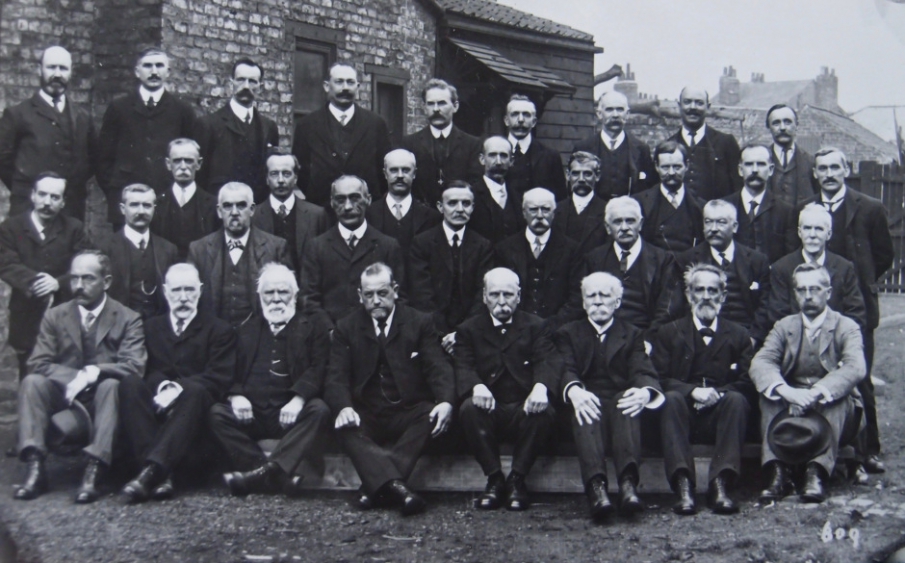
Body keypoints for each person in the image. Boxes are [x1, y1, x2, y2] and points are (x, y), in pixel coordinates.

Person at [15, 250, 146, 503]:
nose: (78, 286)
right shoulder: (56, 315)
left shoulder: (128, 318)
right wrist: (75, 377)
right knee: (32, 382)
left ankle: (94, 469)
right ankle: (35, 467)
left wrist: (93, 373)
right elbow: (37, 362)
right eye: (74, 279)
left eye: (87, 279)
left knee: (109, 385)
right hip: (66, 396)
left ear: (106, 282)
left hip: (106, 402)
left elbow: (134, 366)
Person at [325, 263, 455, 516]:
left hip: (406, 410)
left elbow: (438, 367)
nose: (376, 301)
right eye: (369, 295)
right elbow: (335, 376)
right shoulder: (346, 327)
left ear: (395, 290)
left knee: (431, 414)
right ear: (359, 296)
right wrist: (344, 407)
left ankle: (374, 487)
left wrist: (446, 401)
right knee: (344, 424)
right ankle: (398, 489)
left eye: (382, 293)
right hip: (367, 411)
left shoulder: (419, 322)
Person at [800, 147, 894, 475]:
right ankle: (823, 444)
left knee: (859, 374)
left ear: (846, 169)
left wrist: (859, 279)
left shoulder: (869, 208)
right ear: (815, 173)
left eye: (834, 168)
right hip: (815, 303)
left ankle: (869, 449)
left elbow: (884, 254)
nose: (828, 174)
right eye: (822, 168)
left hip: (856, 304)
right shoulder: (806, 210)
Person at [210, 263, 332, 497]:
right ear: (259, 296)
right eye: (269, 293)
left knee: (319, 410)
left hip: (290, 417)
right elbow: (229, 370)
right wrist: (236, 396)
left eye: (283, 292)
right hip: (253, 414)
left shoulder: (313, 328)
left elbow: (320, 368)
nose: (276, 299)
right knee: (216, 413)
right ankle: (274, 474)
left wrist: (298, 399)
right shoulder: (246, 329)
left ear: (295, 295)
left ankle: (260, 474)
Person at [119, 263, 235, 503]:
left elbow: (219, 377)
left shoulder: (219, 330)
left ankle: (151, 472)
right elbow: (146, 369)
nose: (183, 298)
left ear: (200, 291)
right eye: (177, 290)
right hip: (154, 416)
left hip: (194, 426)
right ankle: (161, 474)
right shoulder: (150, 327)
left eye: (190, 290)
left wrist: (175, 389)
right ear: (165, 291)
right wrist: (162, 386)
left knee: (195, 389)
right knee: (130, 383)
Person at [750, 263, 866, 504]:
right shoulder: (784, 326)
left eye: (815, 289)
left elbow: (856, 367)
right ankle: (778, 471)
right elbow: (761, 362)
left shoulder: (846, 327)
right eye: (801, 290)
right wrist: (787, 391)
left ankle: (817, 472)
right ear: (795, 294)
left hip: (834, 410)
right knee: (769, 394)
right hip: (792, 405)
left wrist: (816, 393)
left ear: (829, 292)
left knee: (837, 396)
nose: (808, 296)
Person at [555, 272, 664, 520]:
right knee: (586, 405)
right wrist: (574, 390)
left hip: (617, 403)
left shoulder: (633, 333)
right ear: (583, 303)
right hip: (584, 401)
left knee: (626, 402)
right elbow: (565, 368)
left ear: (618, 301)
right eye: (591, 296)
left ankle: (628, 486)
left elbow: (642, 369)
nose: (597, 301)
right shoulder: (568, 333)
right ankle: (597, 489)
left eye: (605, 295)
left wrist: (644, 392)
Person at [653, 264, 755, 515]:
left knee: (737, 400)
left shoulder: (739, 334)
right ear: (688, 295)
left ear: (723, 295)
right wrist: (691, 392)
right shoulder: (669, 332)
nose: (706, 296)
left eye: (713, 290)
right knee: (672, 398)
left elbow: (746, 380)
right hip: (681, 416)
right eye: (699, 290)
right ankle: (683, 486)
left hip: (721, 417)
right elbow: (658, 377)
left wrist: (717, 395)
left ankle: (720, 485)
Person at [455, 268, 558, 511]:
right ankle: (494, 478)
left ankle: (517, 480)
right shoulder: (468, 329)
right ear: (484, 296)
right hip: (490, 407)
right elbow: (462, 364)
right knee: (468, 409)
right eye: (495, 294)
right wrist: (476, 386)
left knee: (545, 412)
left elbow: (548, 360)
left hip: (523, 405)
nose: (502, 302)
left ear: (519, 296)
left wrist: (541, 388)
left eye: (508, 295)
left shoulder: (536, 326)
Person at [0, 173, 91, 378]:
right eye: (42, 194)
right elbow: (6, 264)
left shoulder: (73, 228)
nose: (47, 202)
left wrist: (58, 283)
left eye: (54, 197)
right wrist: (37, 282)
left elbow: (85, 264)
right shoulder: (11, 228)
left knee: (63, 368)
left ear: (63, 202)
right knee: (29, 370)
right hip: (26, 310)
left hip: (63, 309)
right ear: (32, 195)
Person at [98, 48, 196, 228]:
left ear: (168, 72)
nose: (154, 71)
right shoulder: (119, 108)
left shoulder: (182, 111)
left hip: (167, 203)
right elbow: (103, 159)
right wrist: (118, 193)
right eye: (147, 66)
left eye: (159, 66)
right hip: (128, 203)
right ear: (137, 71)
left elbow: (191, 160)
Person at [0, 46, 96, 220]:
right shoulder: (17, 114)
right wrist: (26, 187)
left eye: (63, 68)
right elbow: (3, 161)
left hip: (70, 213)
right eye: (51, 67)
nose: (57, 74)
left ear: (70, 72)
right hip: (27, 212)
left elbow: (90, 162)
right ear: (40, 70)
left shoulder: (83, 117)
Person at [300, 175, 404, 326]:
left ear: (368, 199)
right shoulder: (316, 247)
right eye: (340, 199)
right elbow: (309, 300)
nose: (348, 206)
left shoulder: (388, 246)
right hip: (331, 340)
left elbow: (398, 298)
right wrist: (331, 331)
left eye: (355, 198)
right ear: (332, 203)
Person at [756, 204, 866, 346]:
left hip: (834, 344)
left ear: (829, 234)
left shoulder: (844, 268)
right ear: (799, 232)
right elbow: (778, 315)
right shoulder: (782, 268)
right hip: (794, 345)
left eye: (819, 229)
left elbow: (855, 314)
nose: (812, 235)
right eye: (807, 228)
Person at [187, 182, 291, 328]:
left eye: (241, 205)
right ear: (219, 211)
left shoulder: (276, 247)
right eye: (228, 206)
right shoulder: (199, 249)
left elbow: (286, 299)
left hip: (260, 337)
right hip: (214, 337)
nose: (234, 212)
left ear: (252, 209)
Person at [409, 181, 493, 353]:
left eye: (466, 203)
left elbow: (482, 295)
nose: (460, 209)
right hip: (432, 333)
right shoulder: (422, 243)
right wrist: (444, 334)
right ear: (440, 207)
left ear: (473, 207)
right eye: (452, 203)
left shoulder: (483, 246)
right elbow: (422, 295)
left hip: (471, 334)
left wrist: (461, 334)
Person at [291, 62, 391, 206]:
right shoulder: (307, 125)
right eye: (339, 82)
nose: (345, 88)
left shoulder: (376, 124)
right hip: (322, 208)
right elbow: (300, 171)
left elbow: (384, 171)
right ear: (326, 86)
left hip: (365, 210)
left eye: (350, 82)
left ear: (357, 87)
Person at [584, 196, 678, 341]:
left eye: (630, 221)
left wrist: (647, 340)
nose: (624, 228)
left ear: (640, 224)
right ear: (608, 228)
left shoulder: (663, 260)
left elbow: (666, 309)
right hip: (603, 337)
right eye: (617, 222)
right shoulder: (594, 259)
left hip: (647, 337)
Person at [676, 200, 770, 335]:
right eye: (708, 222)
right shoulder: (687, 260)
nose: (713, 228)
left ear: (735, 226)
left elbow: (764, 307)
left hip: (746, 335)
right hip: (703, 335)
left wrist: (753, 339)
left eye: (721, 222)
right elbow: (681, 307)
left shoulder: (757, 261)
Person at [494, 188, 583, 330]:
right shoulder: (505, 249)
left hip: (558, 330)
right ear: (524, 213)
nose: (540, 215)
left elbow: (577, 298)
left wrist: (552, 325)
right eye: (534, 210)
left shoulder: (571, 249)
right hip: (515, 330)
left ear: (554, 214)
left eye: (546, 210)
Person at [196, 58, 279, 203]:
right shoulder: (208, 125)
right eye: (241, 80)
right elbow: (200, 177)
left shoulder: (269, 127)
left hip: (256, 210)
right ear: (231, 83)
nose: (246, 86)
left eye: (252, 81)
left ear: (260, 86)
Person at [100, 184, 179, 319]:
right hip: (119, 325)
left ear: (154, 209)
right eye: (134, 205)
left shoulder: (168, 249)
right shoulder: (106, 248)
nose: (141, 211)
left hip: (158, 326)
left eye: (147, 205)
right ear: (122, 209)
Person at [401, 79, 483, 205]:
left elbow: (474, 185)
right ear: (424, 107)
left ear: (455, 106)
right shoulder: (409, 144)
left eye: (441, 103)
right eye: (430, 104)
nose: (436, 109)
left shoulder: (472, 145)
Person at [252, 151, 330, 272]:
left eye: (287, 174)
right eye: (274, 174)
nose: (281, 180)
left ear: (295, 178)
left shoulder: (317, 215)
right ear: (267, 179)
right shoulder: (253, 216)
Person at [572, 91, 656, 199]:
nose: (615, 115)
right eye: (609, 109)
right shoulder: (584, 148)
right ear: (599, 114)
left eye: (620, 109)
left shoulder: (641, 149)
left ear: (627, 114)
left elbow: (649, 190)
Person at [723, 143, 797, 263]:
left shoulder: (786, 211)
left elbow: (789, 258)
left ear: (771, 170)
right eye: (749, 164)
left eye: (761, 164)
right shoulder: (725, 207)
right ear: (740, 170)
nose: (755, 170)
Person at [150, 138, 220, 260]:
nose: (183, 167)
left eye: (188, 161)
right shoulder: (156, 204)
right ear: (168, 164)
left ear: (199, 164)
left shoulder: (213, 204)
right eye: (177, 161)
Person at [667, 86, 741, 201]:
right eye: (687, 102)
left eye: (699, 103)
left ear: (708, 107)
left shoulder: (726, 143)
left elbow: (738, 188)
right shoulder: (669, 145)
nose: (692, 107)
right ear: (679, 105)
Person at [633, 140, 704, 255]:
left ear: (687, 166)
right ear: (656, 167)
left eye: (677, 167)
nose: (671, 172)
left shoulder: (700, 206)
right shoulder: (640, 203)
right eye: (665, 167)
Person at [365, 149, 441, 252]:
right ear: (385, 173)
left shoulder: (432, 218)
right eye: (394, 170)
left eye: (405, 170)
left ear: (414, 173)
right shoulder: (368, 215)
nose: (400, 175)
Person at [504, 94, 567, 201]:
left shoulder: (550, 157)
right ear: (506, 120)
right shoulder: (494, 153)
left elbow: (561, 199)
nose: (520, 120)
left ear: (534, 122)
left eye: (526, 115)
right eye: (515, 114)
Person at [469, 136, 524, 244]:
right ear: (482, 159)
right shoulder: (470, 196)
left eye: (503, 156)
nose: (498, 162)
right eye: (492, 155)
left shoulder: (519, 198)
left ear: (511, 161)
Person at [552, 151, 610, 255]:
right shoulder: (555, 210)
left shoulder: (608, 211)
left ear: (597, 176)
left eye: (587, 174)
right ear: (568, 175)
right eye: (576, 173)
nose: (581, 179)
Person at [765, 104, 818, 208]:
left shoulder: (811, 162)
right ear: (768, 127)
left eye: (787, 122)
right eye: (776, 123)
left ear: (797, 125)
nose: (783, 128)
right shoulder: (760, 161)